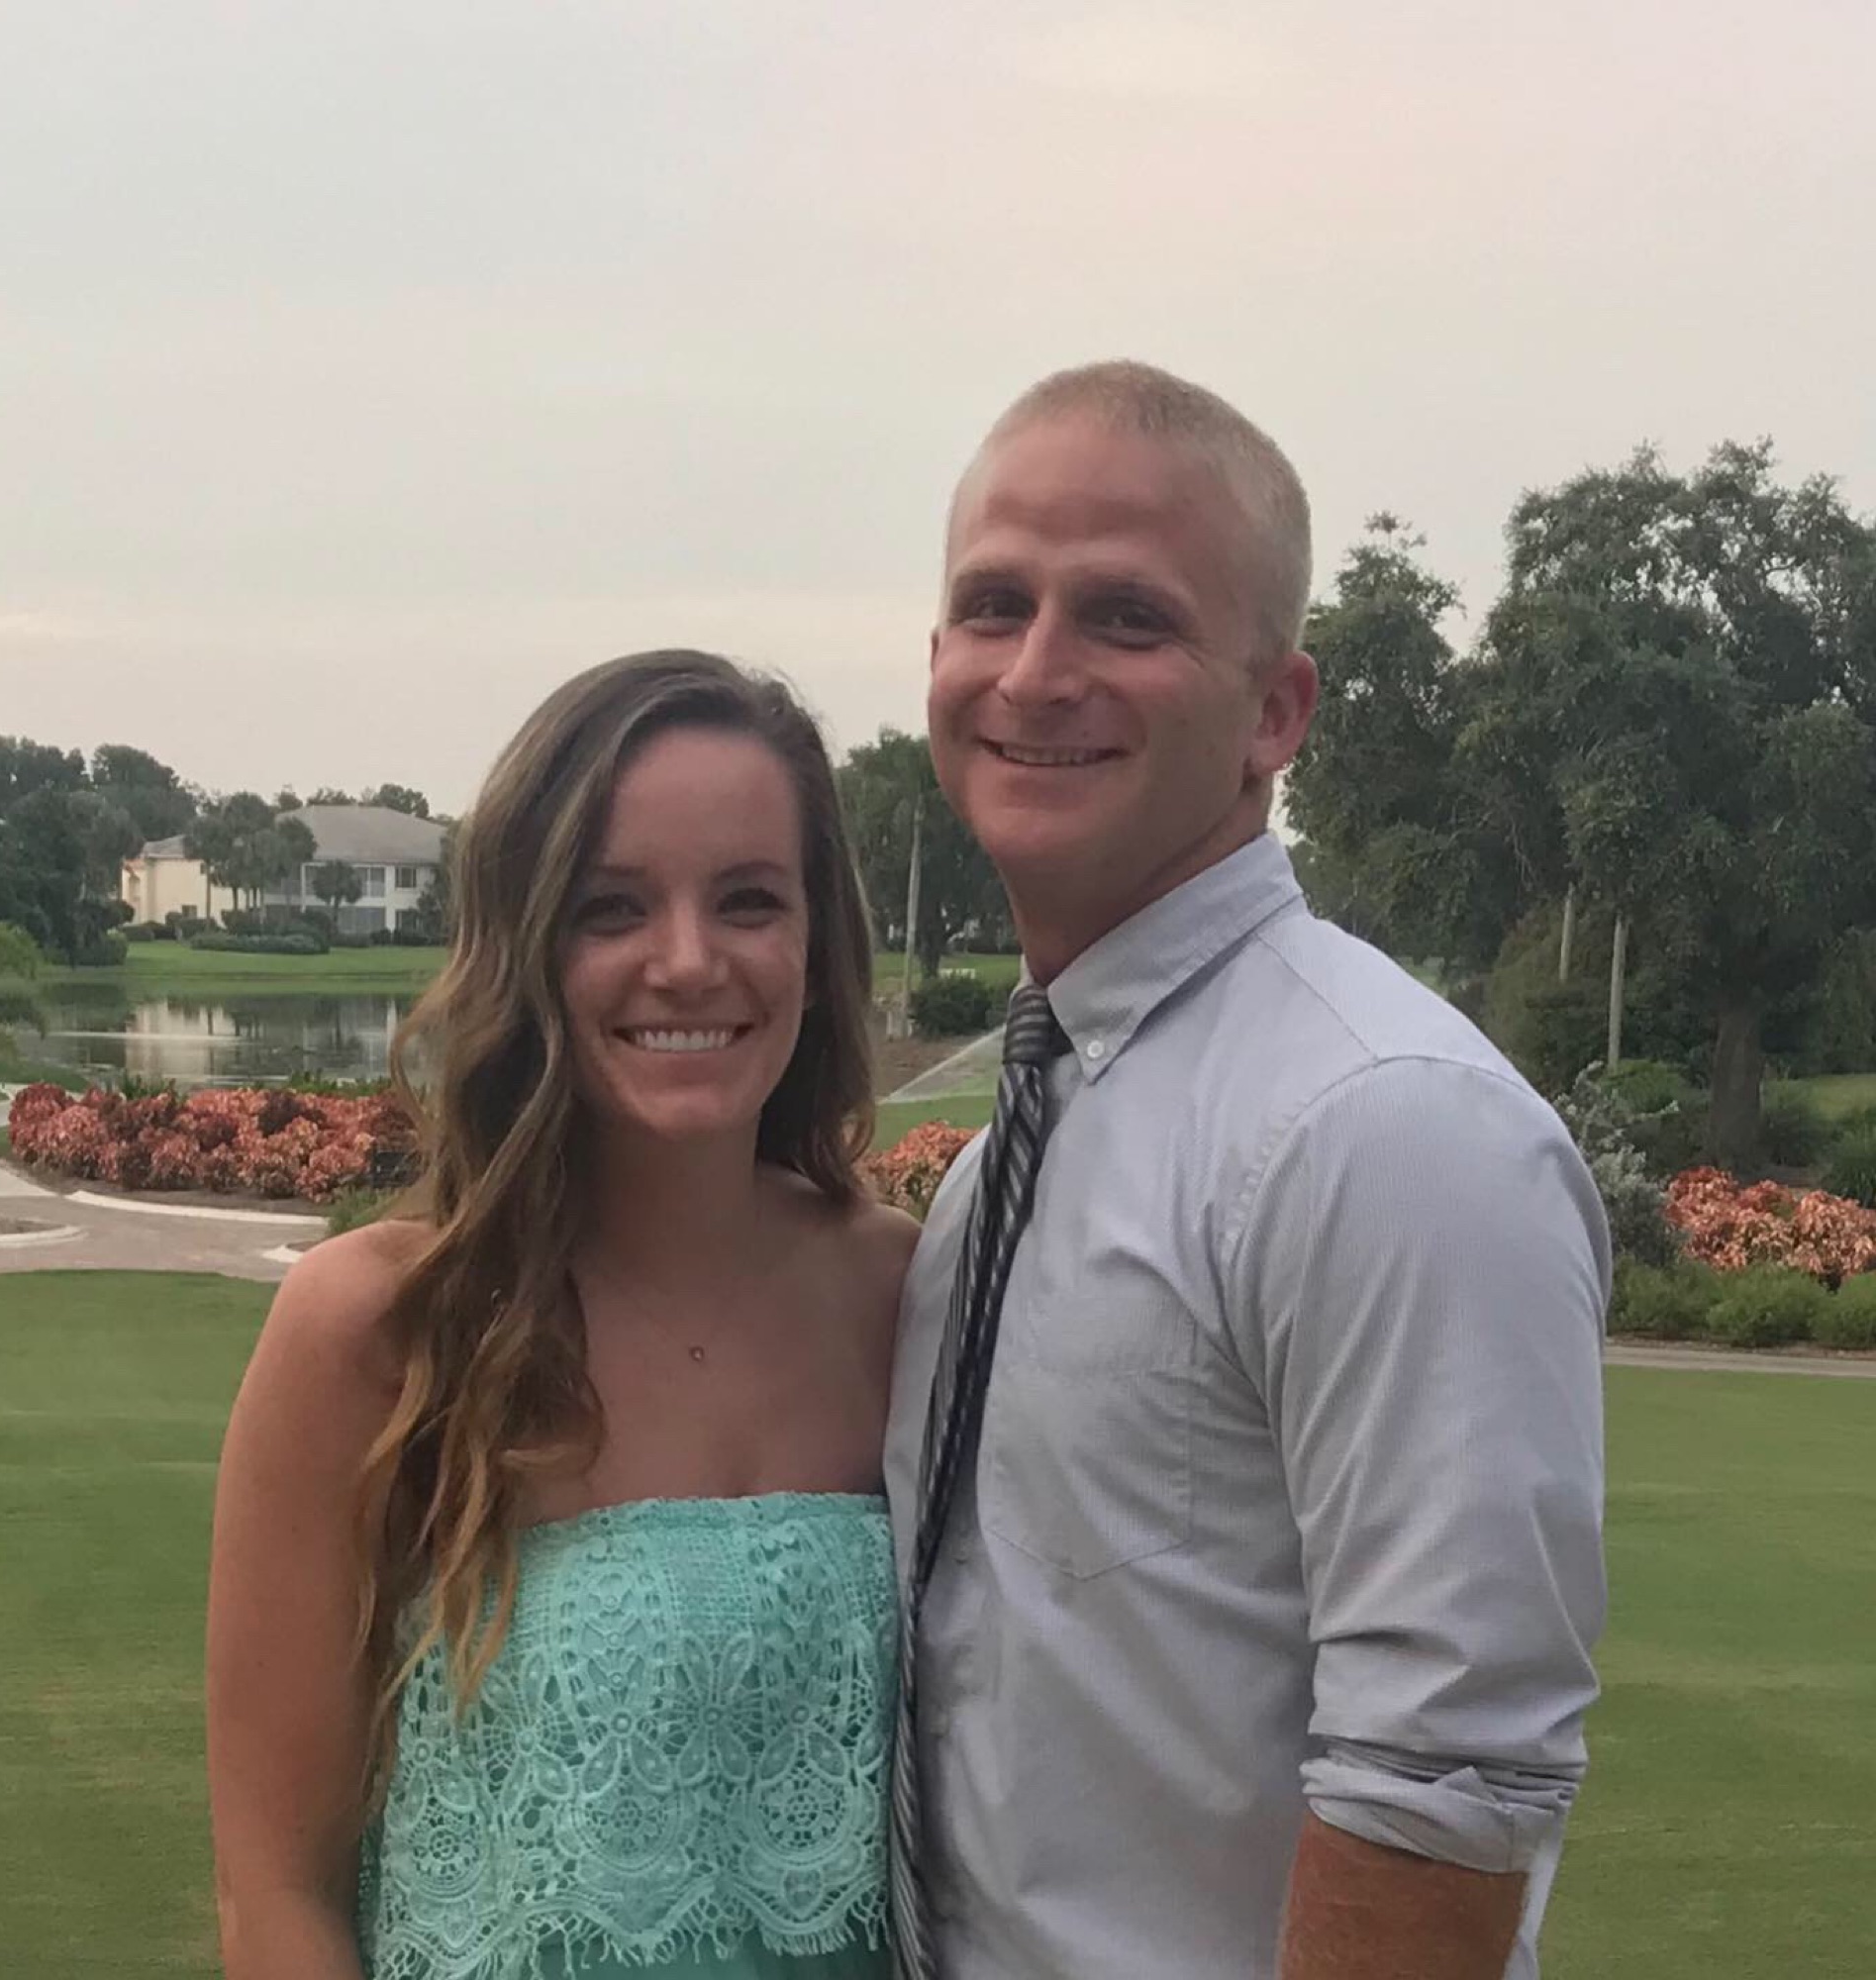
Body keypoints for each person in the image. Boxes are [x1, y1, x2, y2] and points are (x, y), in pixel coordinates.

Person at [884, 362, 1610, 1980]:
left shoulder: (1388, 1125)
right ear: (937, 663)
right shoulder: (1009, 1160)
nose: (1037, 671)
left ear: (1275, 712)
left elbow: (1444, 1783)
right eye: (995, 605)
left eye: (1127, 618)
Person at [208, 650, 918, 1980]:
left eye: (749, 900)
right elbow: (273, 1894)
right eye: (612, 908)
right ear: (527, 947)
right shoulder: (378, 1330)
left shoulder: (902, 1296)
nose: (688, 961)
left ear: (818, 950)